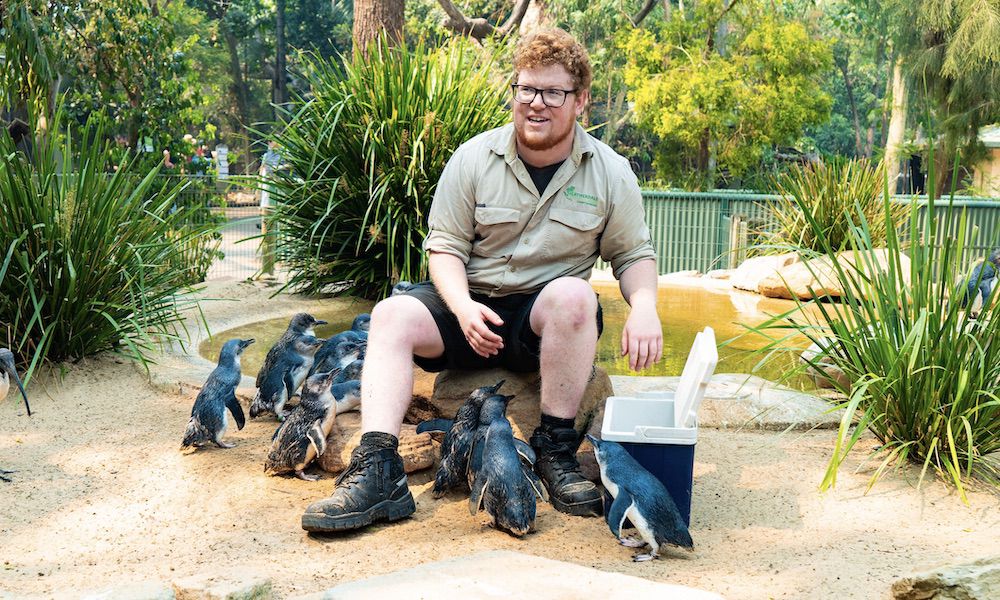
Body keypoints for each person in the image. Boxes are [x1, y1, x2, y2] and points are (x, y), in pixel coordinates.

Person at [300, 28, 663, 533]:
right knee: (390, 314)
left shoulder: (610, 172)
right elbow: (445, 247)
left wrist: (644, 307)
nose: (537, 104)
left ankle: (555, 451)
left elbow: (633, 255)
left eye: (553, 92)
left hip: (537, 323)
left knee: (576, 296)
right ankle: (379, 470)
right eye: (526, 89)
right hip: (468, 309)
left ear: (580, 101)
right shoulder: (473, 158)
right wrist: (463, 306)